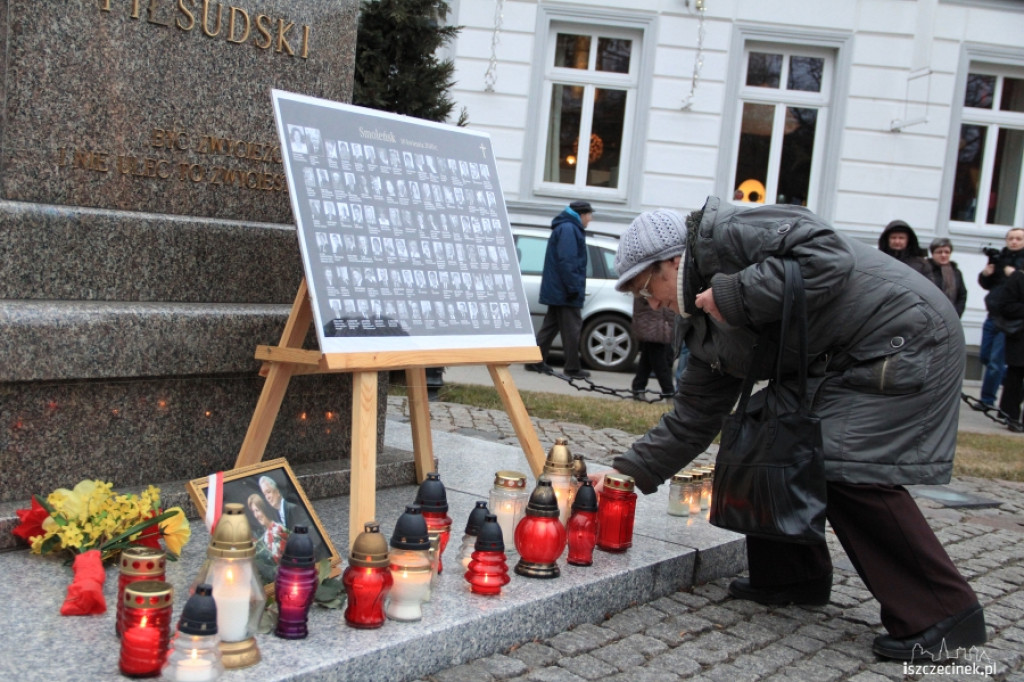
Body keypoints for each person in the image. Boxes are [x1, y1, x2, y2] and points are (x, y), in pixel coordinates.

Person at [597, 200, 984, 662]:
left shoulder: (726, 234)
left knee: (843, 463)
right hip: (839, 360)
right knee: (762, 428)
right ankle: (792, 575)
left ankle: (943, 614)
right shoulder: (700, 327)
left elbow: (827, 255)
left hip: (905, 336)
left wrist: (736, 294)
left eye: (647, 288)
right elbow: (694, 417)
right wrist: (625, 474)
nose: (651, 303)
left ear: (674, 260)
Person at [525, 201, 594, 378]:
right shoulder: (569, 229)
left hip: (559, 289)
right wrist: (573, 287)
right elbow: (568, 260)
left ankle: (534, 361)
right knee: (572, 329)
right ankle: (572, 367)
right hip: (565, 290)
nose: (590, 219)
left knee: (550, 326)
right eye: (589, 215)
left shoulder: (566, 227)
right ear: (582, 214)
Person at [977, 227, 1024, 408]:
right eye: (1011, 238)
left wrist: (1015, 274)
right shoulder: (999, 258)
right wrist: (985, 275)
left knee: (996, 362)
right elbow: (988, 285)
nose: (1014, 242)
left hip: (1011, 320)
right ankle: (1009, 383)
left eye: (1018, 239)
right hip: (992, 315)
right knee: (985, 357)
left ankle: (987, 400)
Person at [985, 268, 1024, 432]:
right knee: (1015, 377)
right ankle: (1011, 417)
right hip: (1020, 336)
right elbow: (1005, 305)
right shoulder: (1018, 278)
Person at [630, 295, 675, 400]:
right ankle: (669, 391)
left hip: (658, 319)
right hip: (653, 319)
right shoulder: (648, 282)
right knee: (659, 358)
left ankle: (638, 387)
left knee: (648, 356)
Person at [925, 238, 967, 317]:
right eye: (939, 252)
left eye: (947, 252)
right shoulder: (925, 270)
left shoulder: (956, 273)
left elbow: (962, 295)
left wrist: (957, 313)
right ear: (932, 254)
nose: (943, 255)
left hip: (949, 317)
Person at [247, 493, 289, 565]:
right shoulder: (265, 536)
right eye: (253, 512)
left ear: (263, 509)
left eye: (257, 510)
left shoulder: (278, 528)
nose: (256, 515)